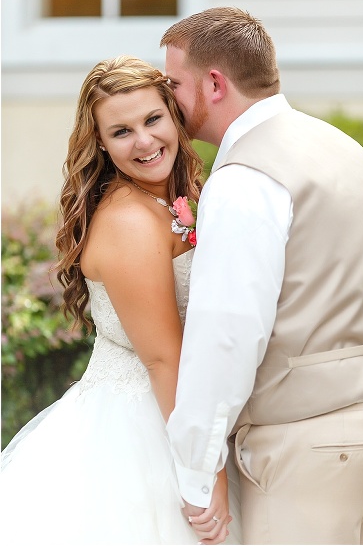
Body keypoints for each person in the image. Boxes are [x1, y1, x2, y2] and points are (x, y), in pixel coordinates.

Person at [161, 7, 363, 545]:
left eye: (173, 83)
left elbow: (228, 334)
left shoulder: (246, 179)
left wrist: (197, 470)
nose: (166, 97)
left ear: (214, 83)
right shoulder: (342, 148)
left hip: (302, 447)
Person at [0, 55, 241, 545]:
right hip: (141, 429)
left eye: (153, 119)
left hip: (180, 410)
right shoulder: (130, 221)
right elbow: (162, 358)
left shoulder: (162, 200)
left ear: (173, 116)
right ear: (103, 145)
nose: (146, 141)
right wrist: (205, 473)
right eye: (122, 132)